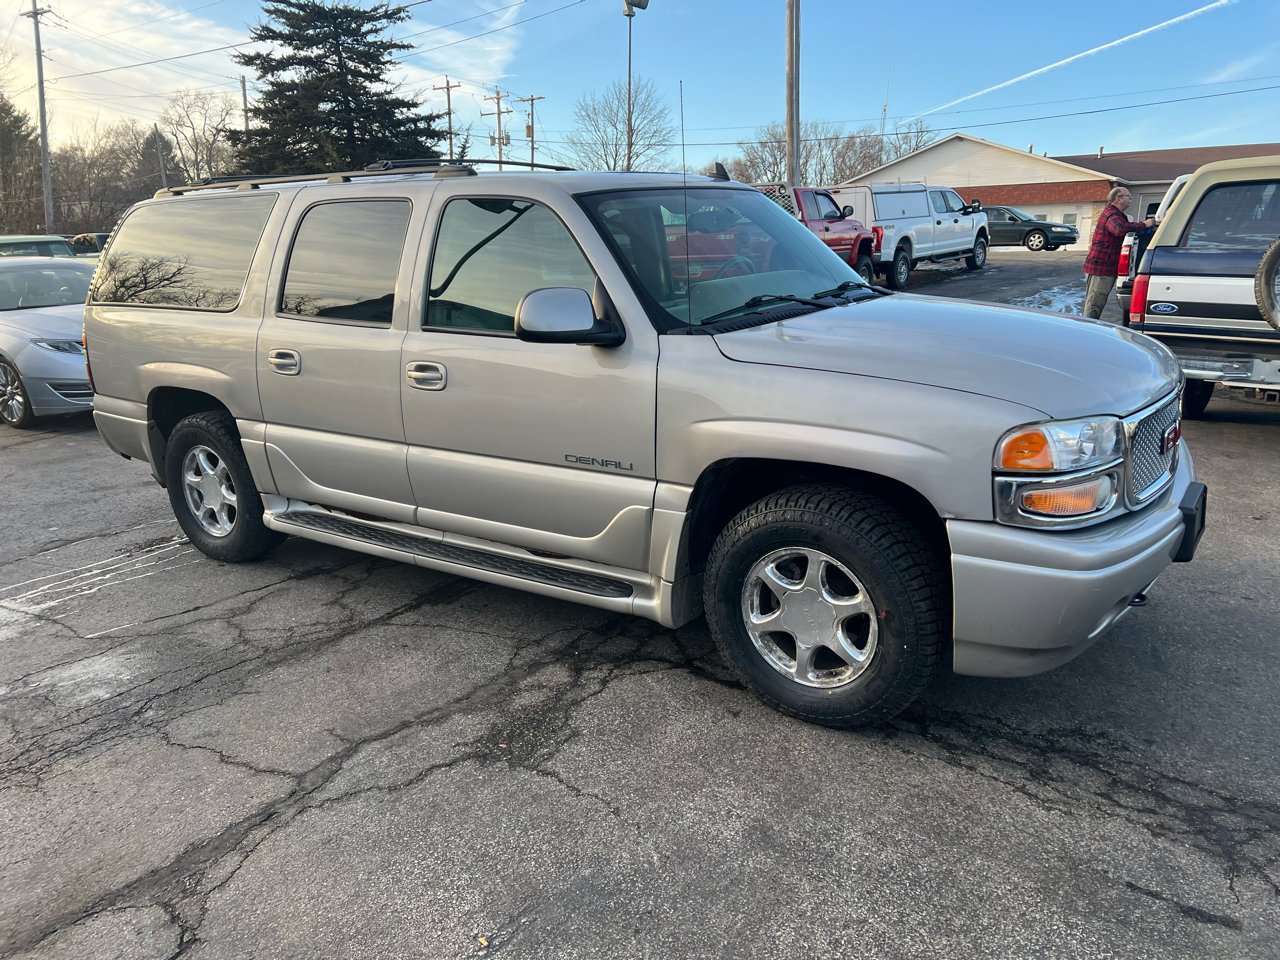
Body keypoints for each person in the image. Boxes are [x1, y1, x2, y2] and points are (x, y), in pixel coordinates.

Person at [1083, 186, 1155, 320]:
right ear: (1119, 199)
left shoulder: (1117, 215)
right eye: (1128, 196)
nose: (1131, 198)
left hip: (1106, 267)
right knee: (1094, 303)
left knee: (1097, 302)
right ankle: (1086, 332)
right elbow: (1119, 229)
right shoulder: (1111, 213)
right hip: (1101, 268)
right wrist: (1145, 224)